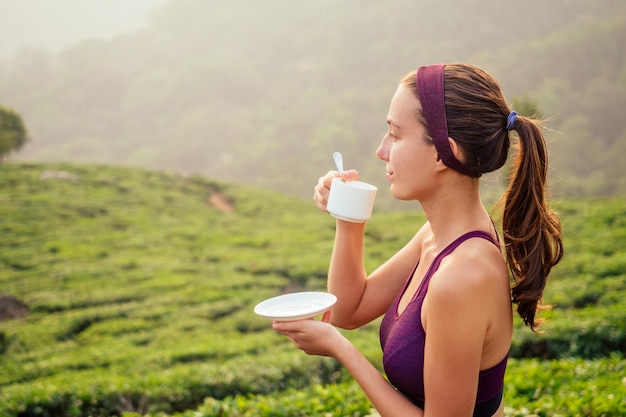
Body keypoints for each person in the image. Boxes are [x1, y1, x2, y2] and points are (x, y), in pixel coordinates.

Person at [273, 62, 563, 416]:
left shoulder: (462, 277)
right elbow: (349, 309)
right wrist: (348, 217)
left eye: (395, 134)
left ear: (445, 153)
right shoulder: (439, 236)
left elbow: (342, 328)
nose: (382, 150)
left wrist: (343, 351)